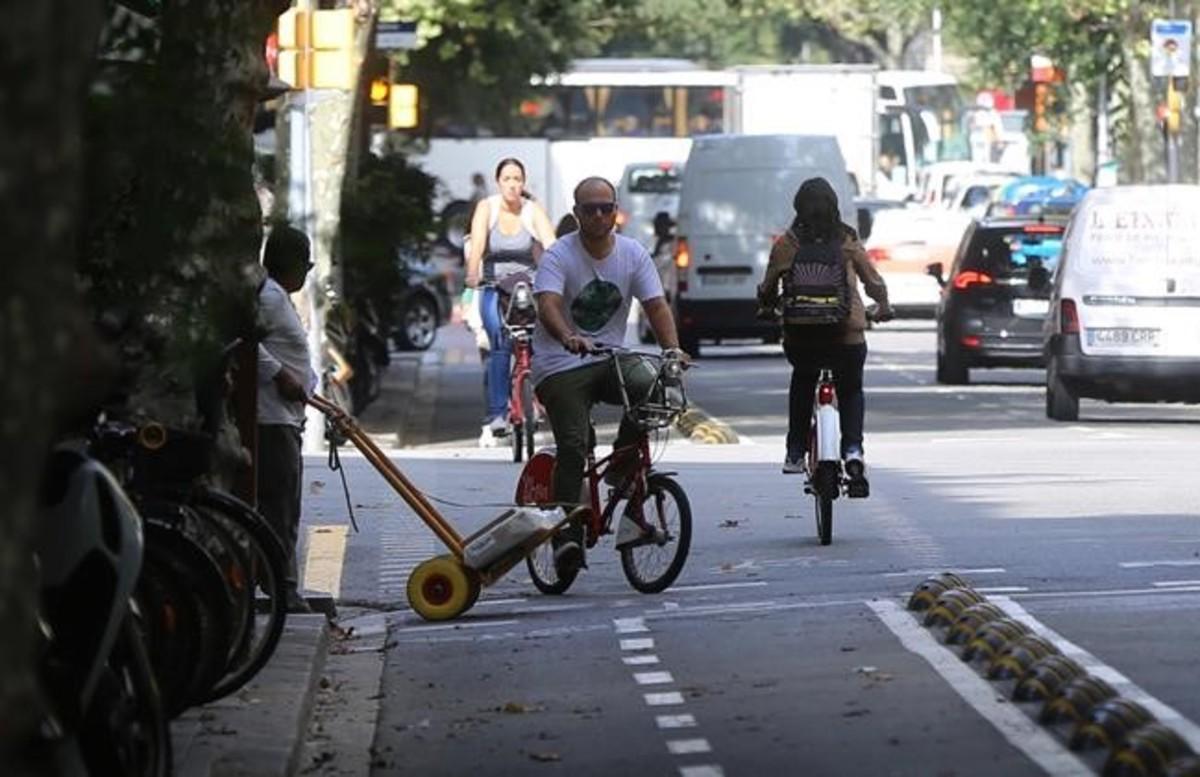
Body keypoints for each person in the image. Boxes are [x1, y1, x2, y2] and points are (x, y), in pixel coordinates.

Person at [532, 176, 686, 574]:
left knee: (651, 386)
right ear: (576, 214)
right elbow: (547, 304)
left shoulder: (633, 254)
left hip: (609, 359)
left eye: (606, 207)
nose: (599, 215)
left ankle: (620, 465)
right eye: (590, 209)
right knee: (573, 442)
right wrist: (567, 336)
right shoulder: (558, 256)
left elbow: (656, 306)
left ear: (616, 210)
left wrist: (671, 350)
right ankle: (566, 536)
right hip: (560, 365)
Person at [756, 177, 892, 492]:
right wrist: (882, 305)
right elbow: (873, 282)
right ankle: (853, 449)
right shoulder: (848, 240)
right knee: (851, 389)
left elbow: (768, 286)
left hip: (801, 338)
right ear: (834, 206)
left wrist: (766, 306)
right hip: (847, 335)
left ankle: (794, 450)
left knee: (803, 381)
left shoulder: (787, 243)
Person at [464, 158, 557, 447]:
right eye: (507, 179)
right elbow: (478, 244)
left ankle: (539, 399)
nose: (513, 184)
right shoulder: (487, 208)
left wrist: (562, 274)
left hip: (527, 288)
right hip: (493, 286)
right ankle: (497, 415)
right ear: (498, 182)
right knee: (499, 344)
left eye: (517, 179)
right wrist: (472, 273)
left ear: (524, 183)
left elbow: (552, 245)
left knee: (539, 342)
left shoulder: (532, 210)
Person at [256, 224, 319, 614]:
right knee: (279, 506)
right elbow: (250, 346)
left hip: (286, 416)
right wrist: (283, 376)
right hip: (271, 417)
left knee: (285, 505)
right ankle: (283, 586)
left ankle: (280, 582)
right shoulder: (269, 299)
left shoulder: (277, 297)